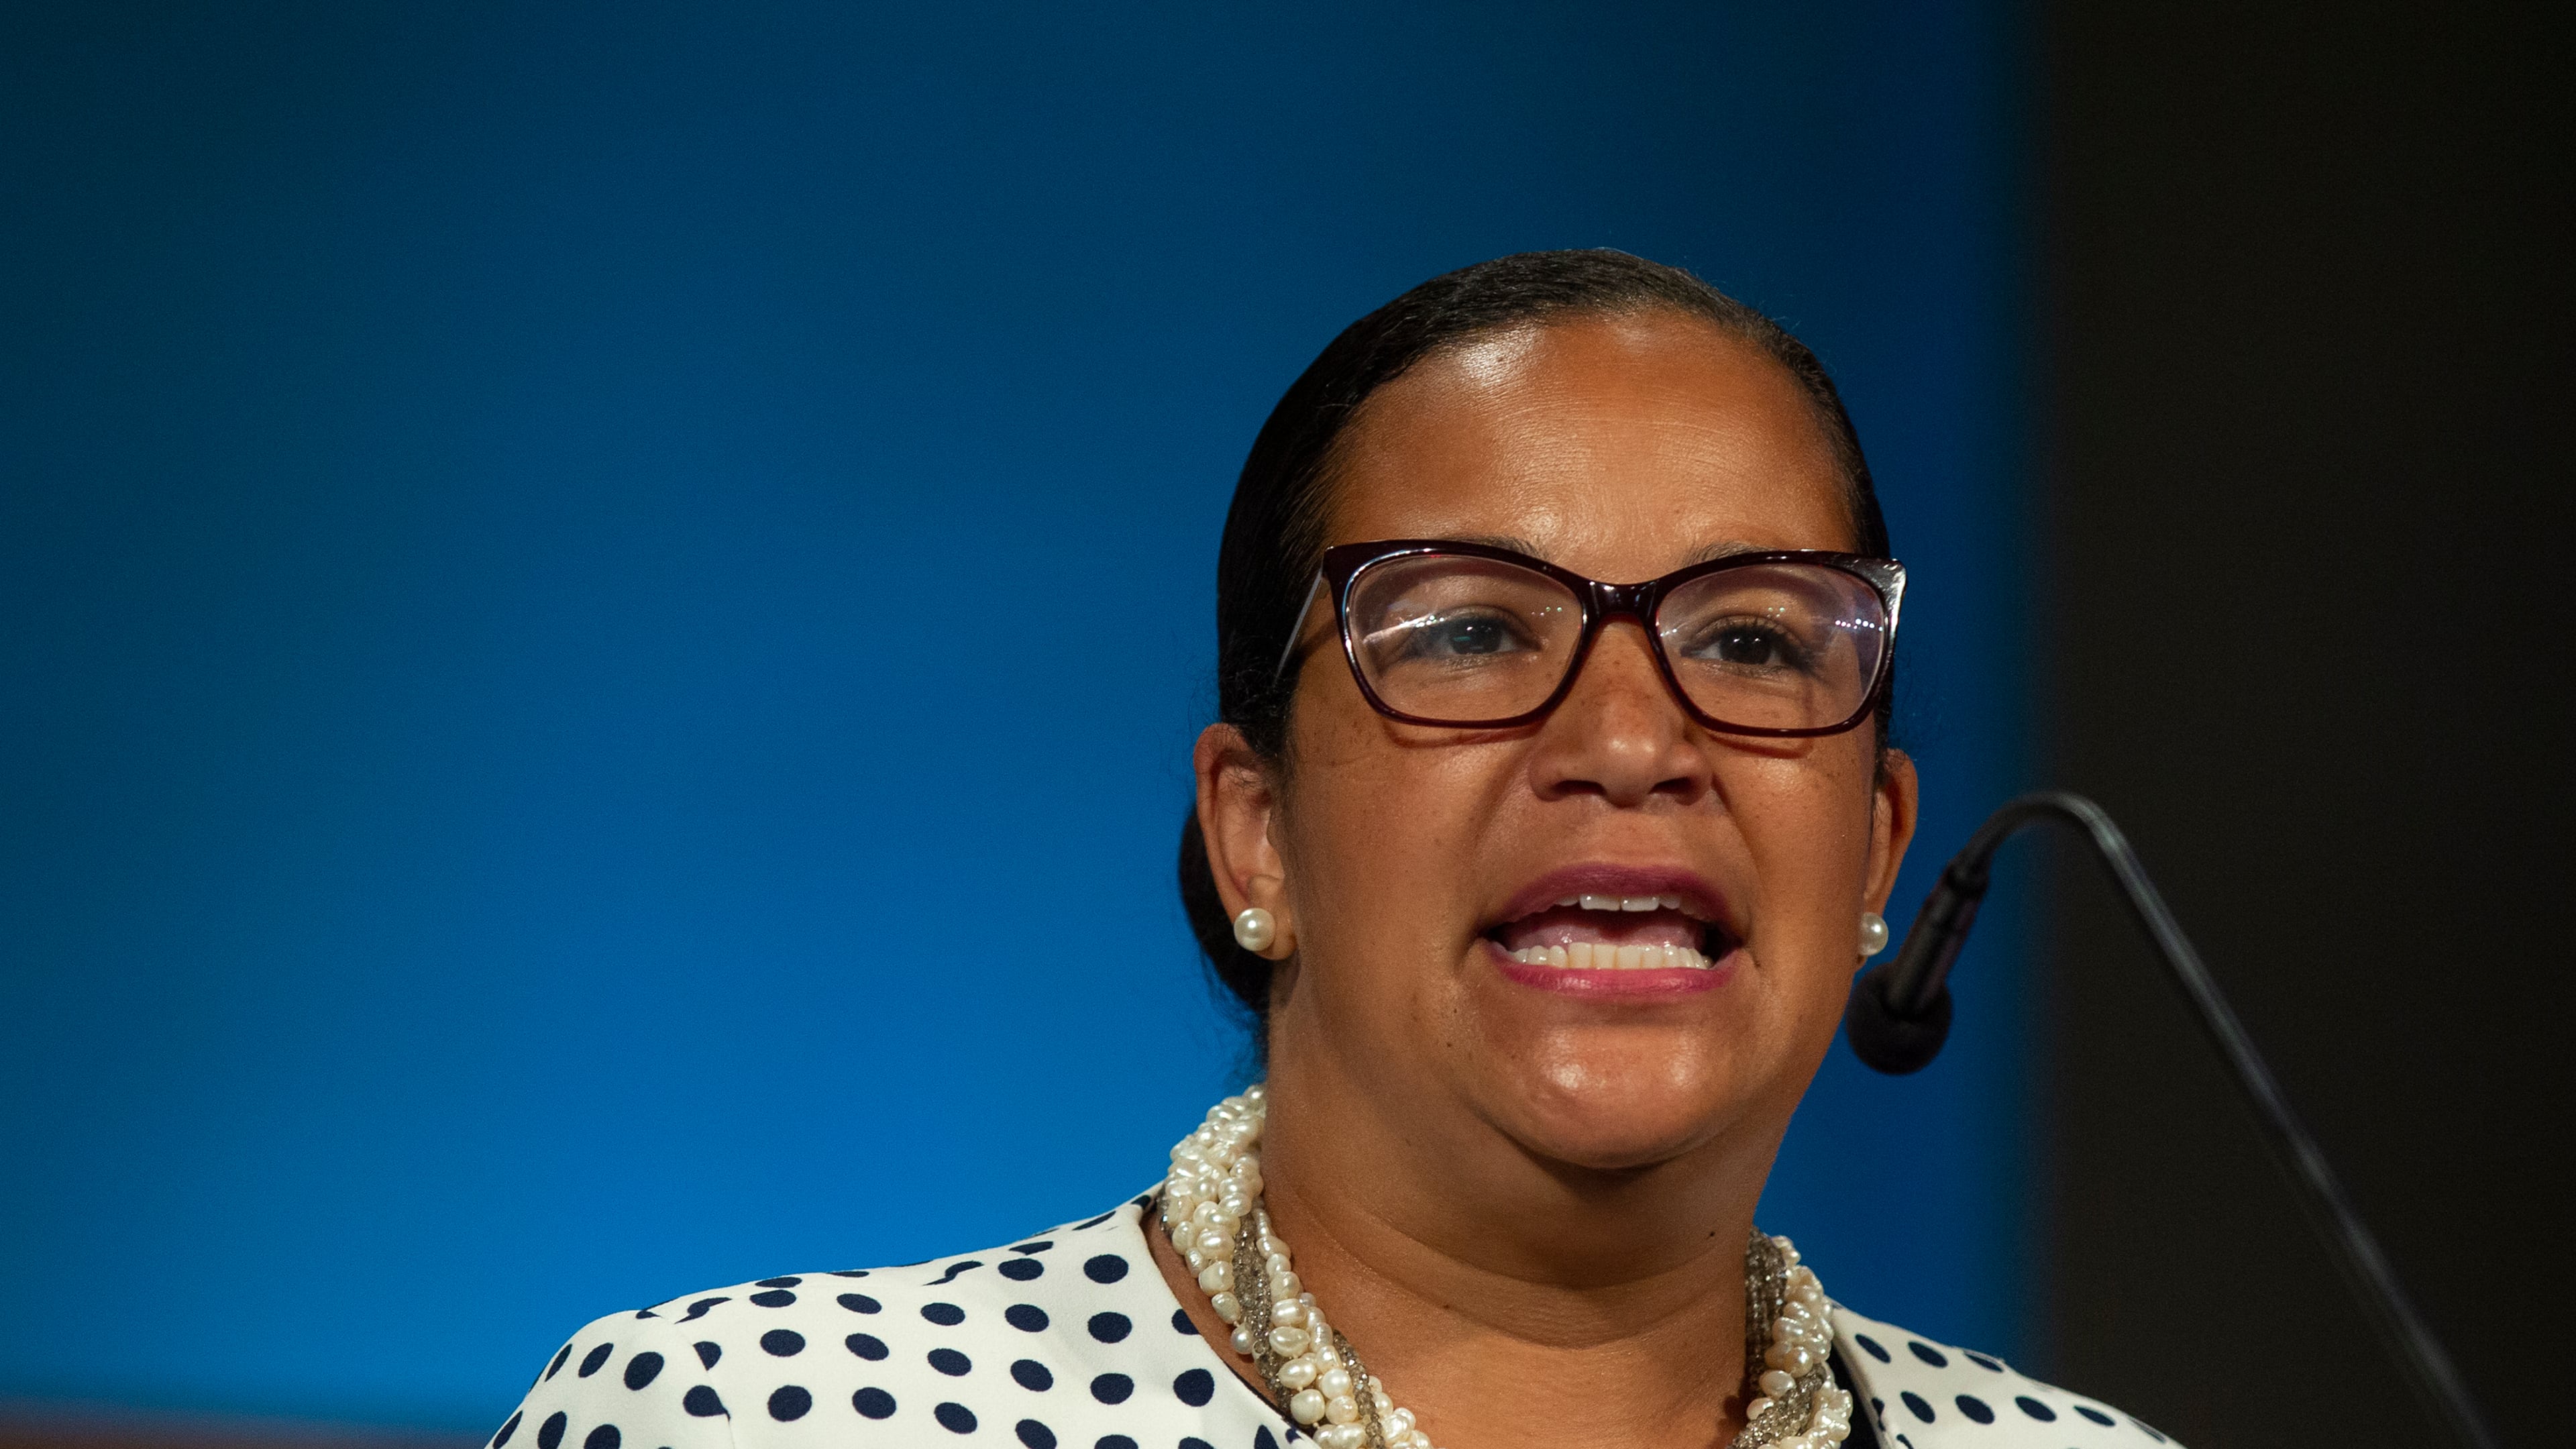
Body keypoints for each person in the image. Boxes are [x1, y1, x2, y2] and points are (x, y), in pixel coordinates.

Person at [490, 252, 2180, 1449]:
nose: (1630, 744)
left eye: (1751, 640)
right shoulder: (757, 1422)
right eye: (1470, 632)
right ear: (1258, 837)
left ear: (1877, 850)